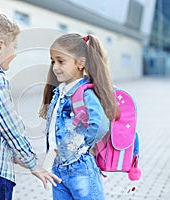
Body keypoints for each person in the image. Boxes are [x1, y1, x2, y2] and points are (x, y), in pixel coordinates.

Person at [0, 11, 61, 200]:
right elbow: (10, 126)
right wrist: (33, 164)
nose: (15, 53)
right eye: (14, 47)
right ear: (0, 46)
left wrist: (15, 157)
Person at [39, 33, 118, 199]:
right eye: (53, 61)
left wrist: (80, 146)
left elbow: (100, 125)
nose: (55, 67)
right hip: (58, 169)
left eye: (61, 61)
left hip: (80, 168)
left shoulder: (85, 94)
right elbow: (53, 131)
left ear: (80, 63)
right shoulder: (59, 93)